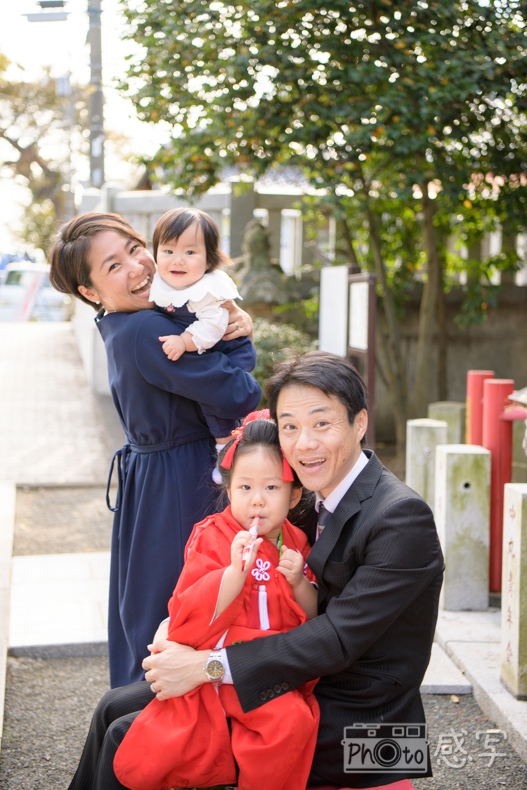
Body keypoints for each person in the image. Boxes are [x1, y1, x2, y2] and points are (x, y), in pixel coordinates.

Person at [64, 351, 444, 790]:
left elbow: (336, 639)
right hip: (294, 680)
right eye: (290, 427)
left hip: (363, 723)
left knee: (126, 736)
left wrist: (207, 666)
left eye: (322, 423)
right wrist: (178, 630)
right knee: (112, 706)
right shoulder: (305, 496)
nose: (304, 443)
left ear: (359, 423)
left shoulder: (401, 517)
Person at [48, 212, 261, 689]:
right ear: (89, 291)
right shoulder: (147, 328)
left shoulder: (125, 321)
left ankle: (138, 716)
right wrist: (239, 334)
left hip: (153, 478)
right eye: (113, 266)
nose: (138, 266)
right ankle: (167, 723)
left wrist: (229, 319)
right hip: (182, 479)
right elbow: (240, 392)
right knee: (187, 605)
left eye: (134, 248)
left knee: (151, 604)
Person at [111, 411, 319, 790]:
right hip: (221, 664)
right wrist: (233, 574)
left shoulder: (297, 542)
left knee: (292, 721)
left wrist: (299, 582)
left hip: (270, 666)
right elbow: (188, 605)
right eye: (245, 487)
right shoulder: (212, 535)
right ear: (228, 489)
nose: (257, 500)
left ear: (294, 495)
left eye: (272, 488)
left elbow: (311, 614)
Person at [149, 206, 251, 479]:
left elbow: (213, 326)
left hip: (225, 350)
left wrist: (184, 341)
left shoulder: (208, 290)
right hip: (203, 351)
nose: (177, 260)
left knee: (214, 402)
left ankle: (226, 451)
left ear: (208, 261)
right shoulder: (160, 282)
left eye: (190, 252)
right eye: (168, 251)